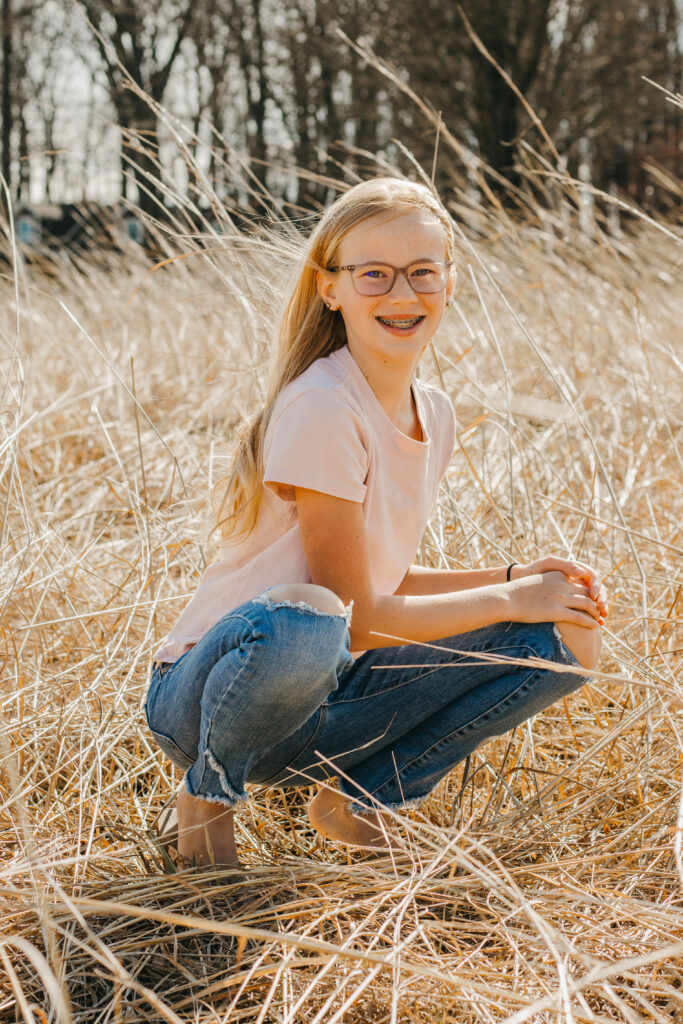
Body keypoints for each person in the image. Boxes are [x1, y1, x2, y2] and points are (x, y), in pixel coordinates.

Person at [145, 177, 608, 868]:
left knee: (567, 631)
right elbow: (354, 615)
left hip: (330, 694)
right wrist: (510, 597)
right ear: (330, 287)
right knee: (309, 615)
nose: (401, 294)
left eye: (423, 271)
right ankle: (207, 797)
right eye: (373, 275)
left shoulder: (435, 412)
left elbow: (380, 583)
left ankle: (365, 800)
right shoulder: (323, 407)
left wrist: (521, 581)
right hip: (212, 695)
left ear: (450, 282)